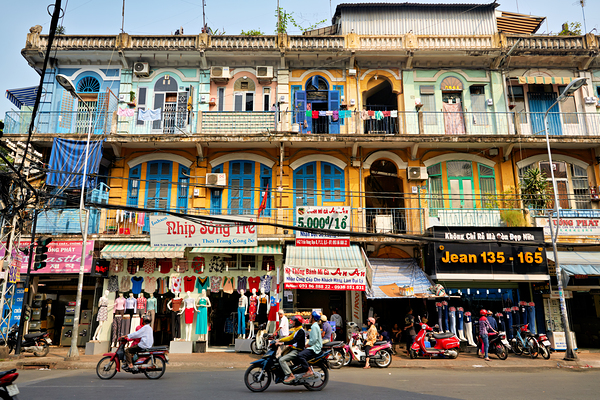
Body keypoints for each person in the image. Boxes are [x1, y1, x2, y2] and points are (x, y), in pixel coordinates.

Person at [277, 316, 305, 383]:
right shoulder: (296, 330)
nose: (292, 322)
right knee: (280, 357)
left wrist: (282, 343)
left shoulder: (301, 331)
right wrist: (279, 340)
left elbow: (293, 341)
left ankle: (291, 375)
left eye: (294, 321)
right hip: (293, 349)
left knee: (281, 360)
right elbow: (289, 338)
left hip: (297, 351)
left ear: (297, 322)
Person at [297, 311, 322, 378]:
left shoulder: (314, 327)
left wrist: (307, 345)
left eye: (310, 316)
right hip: (314, 347)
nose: (309, 318)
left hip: (314, 348)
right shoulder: (315, 326)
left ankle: (309, 370)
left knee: (300, 355)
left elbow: (313, 340)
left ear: (313, 318)